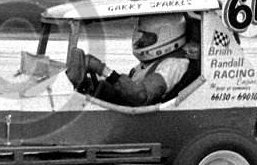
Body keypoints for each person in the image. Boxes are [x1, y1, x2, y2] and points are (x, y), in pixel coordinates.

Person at [68, 13, 200, 107]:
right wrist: (95, 85)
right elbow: (125, 92)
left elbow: (140, 95)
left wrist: (101, 68)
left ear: (166, 36)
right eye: (142, 35)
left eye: (147, 36)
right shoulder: (150, 63)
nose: (141, 40)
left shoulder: (174, 64)